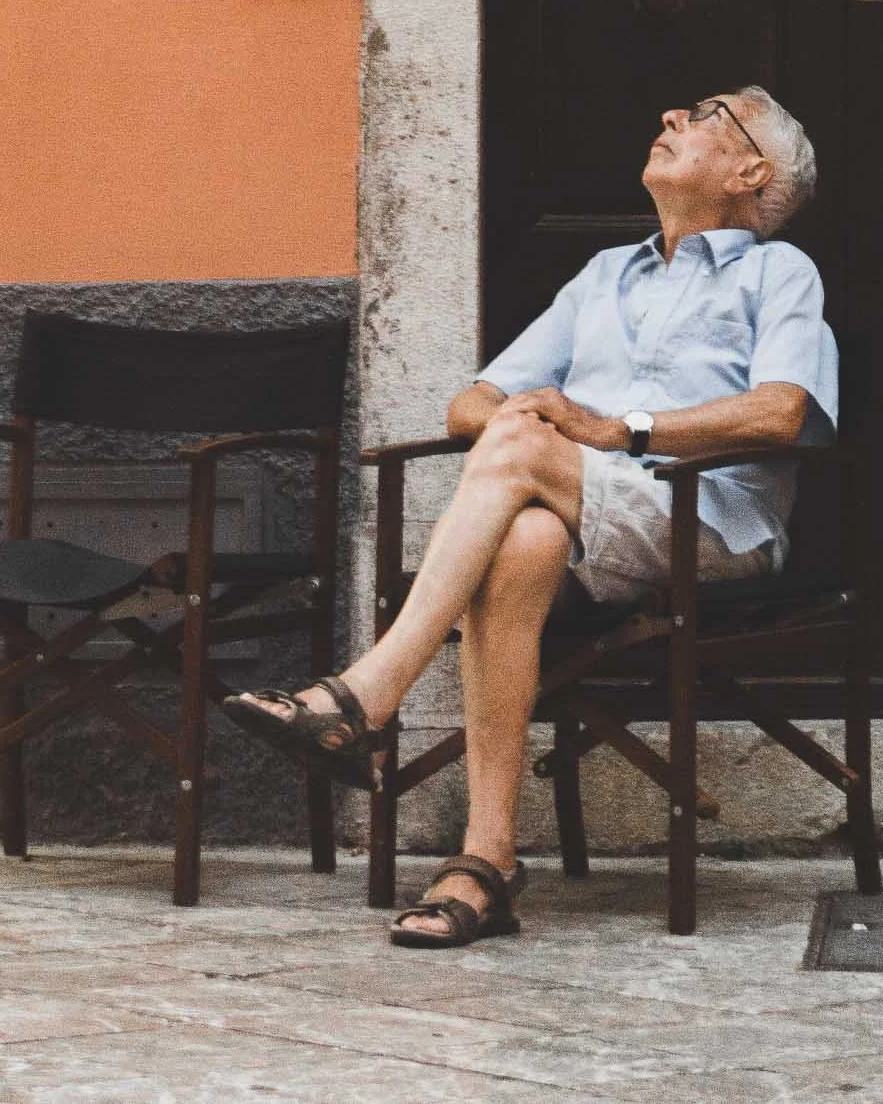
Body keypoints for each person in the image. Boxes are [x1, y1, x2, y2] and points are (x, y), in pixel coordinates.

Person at [225, 84, 835, 947]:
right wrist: (532, 429)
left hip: (709, 521)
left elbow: (780, 411)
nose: (670, 116)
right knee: (523, 538)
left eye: (706, 114)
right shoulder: (605, 275)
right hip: (582, 510)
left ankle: (367, 693)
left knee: (520, 449)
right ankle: (486, 864)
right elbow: (469, 405)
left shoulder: (779, 273)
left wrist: (616, 429)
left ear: (751, 172)